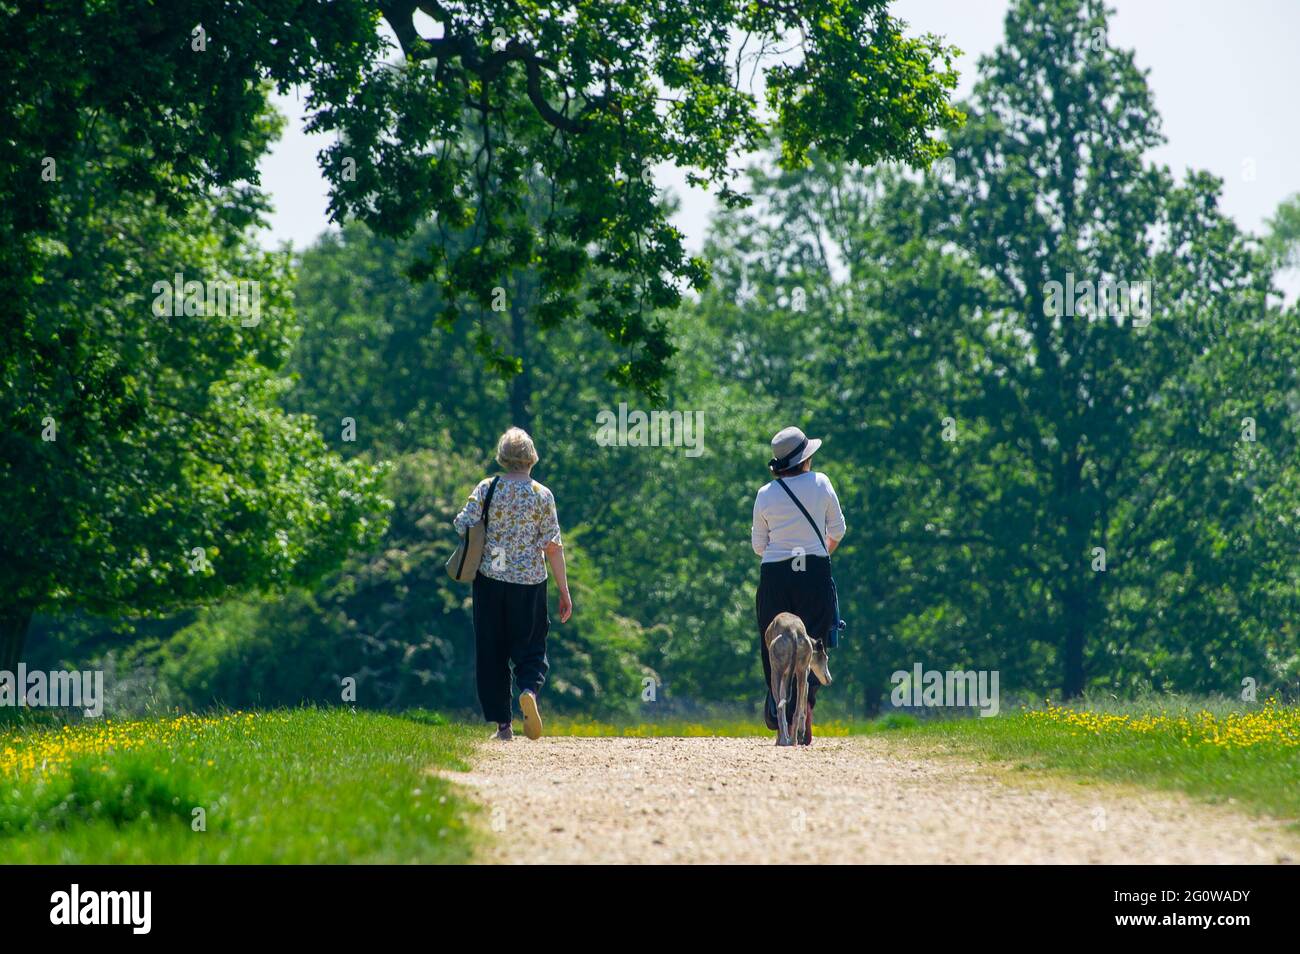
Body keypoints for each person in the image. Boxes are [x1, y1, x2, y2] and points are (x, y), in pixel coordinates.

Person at [454, 427, 572, 741]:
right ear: (531, 457)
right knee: (531, 644)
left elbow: (462, 522)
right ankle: (529, 690)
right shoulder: (541, 494)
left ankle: (503, 725)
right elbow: (553, 546)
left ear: (503, 457)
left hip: (491, 577)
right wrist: (564, 590)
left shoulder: (487, 487)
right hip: (531, 581)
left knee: (491, 649)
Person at [751, 426, 846, 744]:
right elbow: (838, 529)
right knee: (813, 642)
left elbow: (758, 546)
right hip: (814, 572)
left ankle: (780, 714)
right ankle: (805, 713)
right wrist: (817, 553)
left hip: (775, 574)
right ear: (805, 459)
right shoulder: (821, 482)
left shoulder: (765, 494)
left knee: (774, 640)